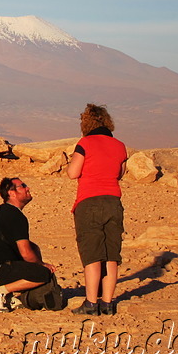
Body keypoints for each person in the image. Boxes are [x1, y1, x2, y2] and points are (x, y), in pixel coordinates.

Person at [66, 104, 128, 316]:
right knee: (111, 254)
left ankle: (91, 303)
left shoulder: (85, 143)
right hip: (113, 201)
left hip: (89, 202)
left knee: (92, 253)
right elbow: (120, 173)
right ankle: (108, 303)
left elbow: (73, 173)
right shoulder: (120, 146)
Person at [0, 177, 56, 312]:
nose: (28, 188)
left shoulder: (0, 210)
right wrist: (42, 265)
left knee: (33, 250)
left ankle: (7, 294)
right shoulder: (16, 216)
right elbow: (26, 253)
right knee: (42, 274)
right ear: (12, 193)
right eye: (23, 186)